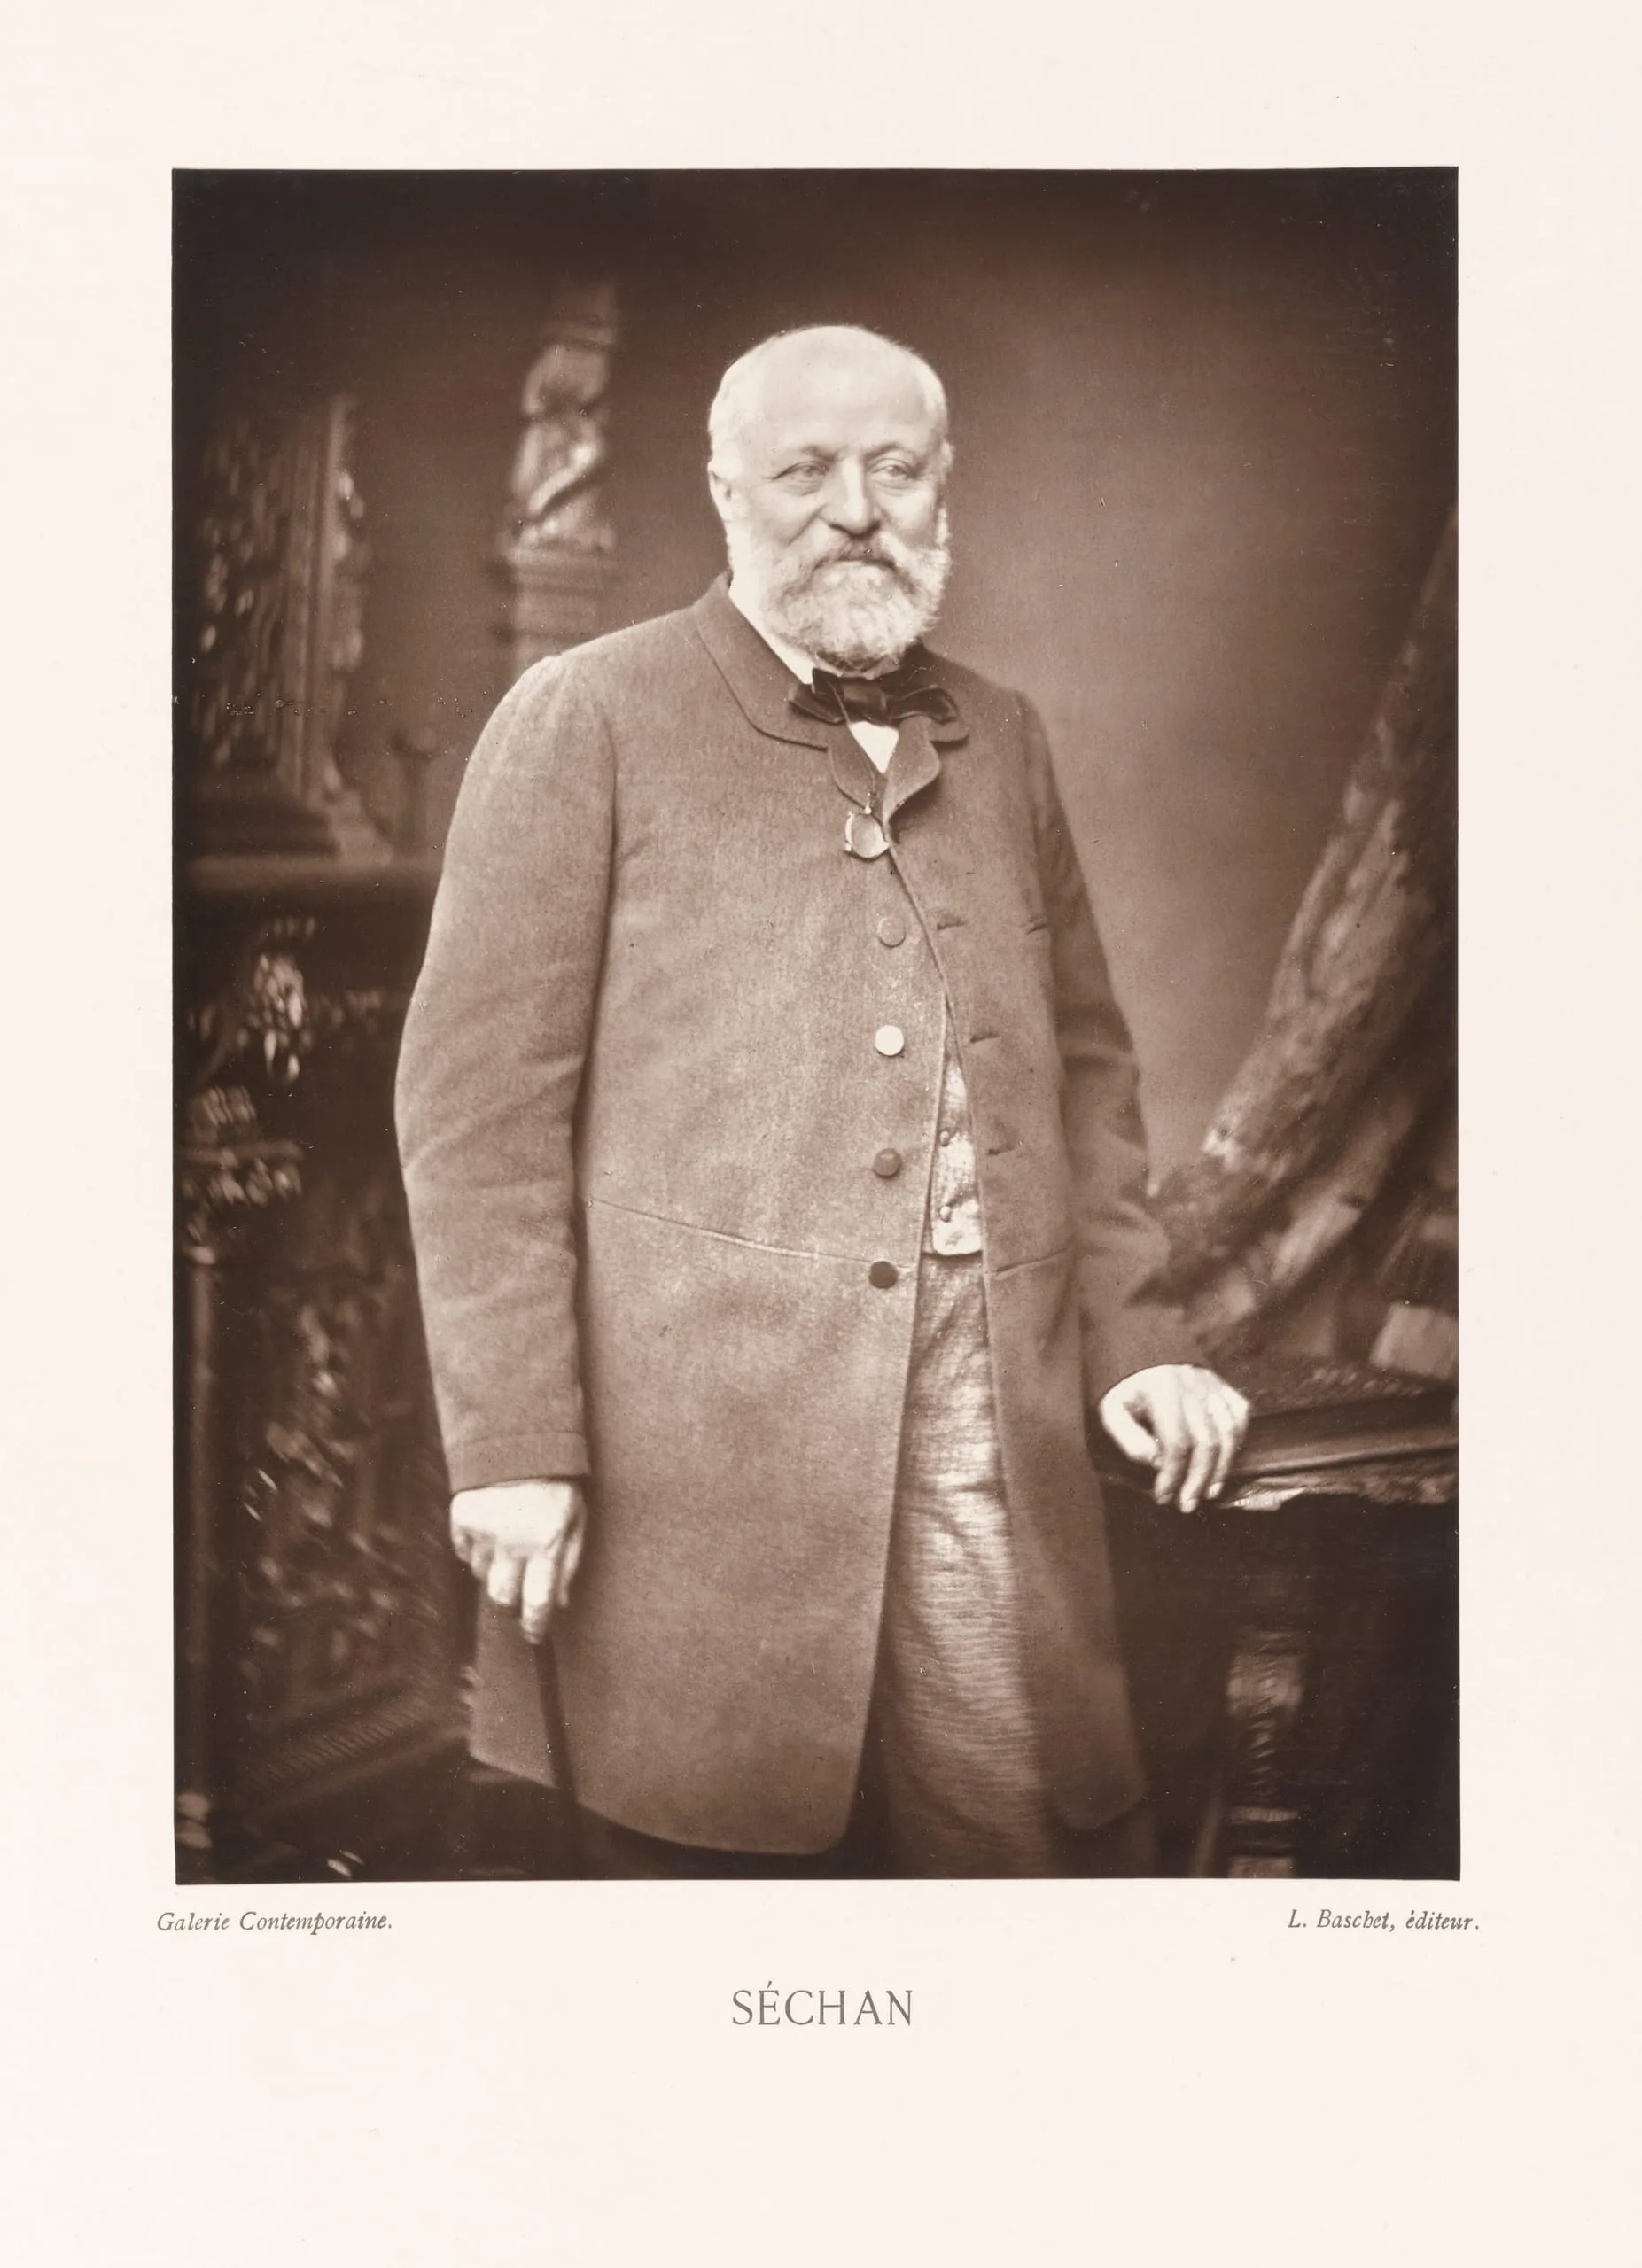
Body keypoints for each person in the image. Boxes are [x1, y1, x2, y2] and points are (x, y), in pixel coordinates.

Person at [395, 324, 1249, 1877]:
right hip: (690, 1471)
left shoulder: (1006, 736)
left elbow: (1088, 1075)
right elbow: (479, 1127)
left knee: (1018, 1864)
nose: (855, 510)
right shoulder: (585, 717)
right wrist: (513, 1443)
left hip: (985, 1422)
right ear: (727, 494)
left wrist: (1139, 1339)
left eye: (894, 469)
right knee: (706, 1886)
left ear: (943, 494)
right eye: (805, 471)